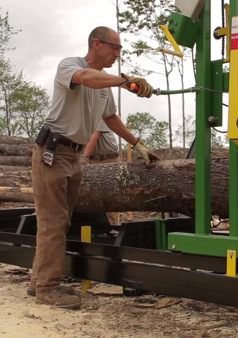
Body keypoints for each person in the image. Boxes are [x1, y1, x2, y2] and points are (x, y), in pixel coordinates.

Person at [28, 26, 160, 309]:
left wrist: (138, 144)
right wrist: (124, 81)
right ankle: (47, 288)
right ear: (96, 43)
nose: (117, 53)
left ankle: (37, 281)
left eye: (120, 49)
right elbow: (86, 78)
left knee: (60, 222)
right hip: (52, 153)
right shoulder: (71, 66)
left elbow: (111, 118)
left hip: (73, 157)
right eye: (115, 47)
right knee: (52, 223)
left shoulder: (104, 87)